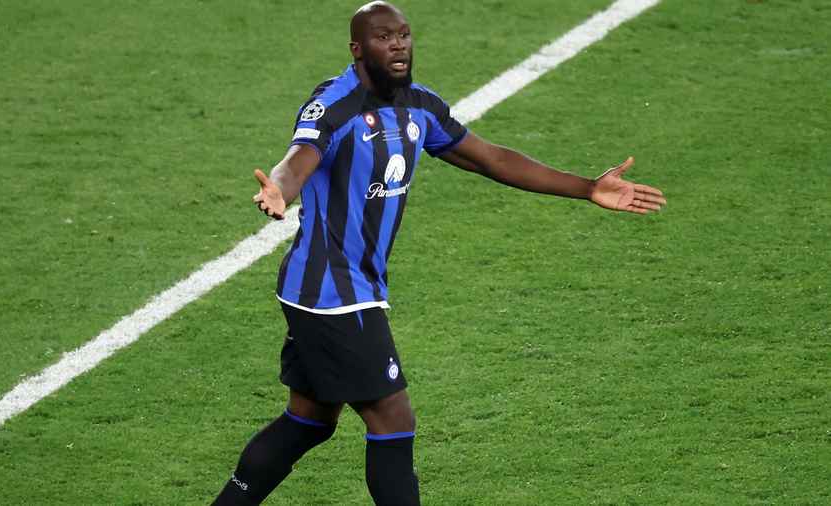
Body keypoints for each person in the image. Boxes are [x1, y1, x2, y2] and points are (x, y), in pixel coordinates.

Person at [212, 2, 666, 504]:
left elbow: (491, 159)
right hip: (333, 294)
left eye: (404, 35)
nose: (399, 45)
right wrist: (279, 189)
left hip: (332, 287)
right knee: (393, 419)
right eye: (384, 37)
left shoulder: (419, 106)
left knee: (310, 419)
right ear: (358, 49)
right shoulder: (334, 105)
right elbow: (298, 160)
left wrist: (586, 188)